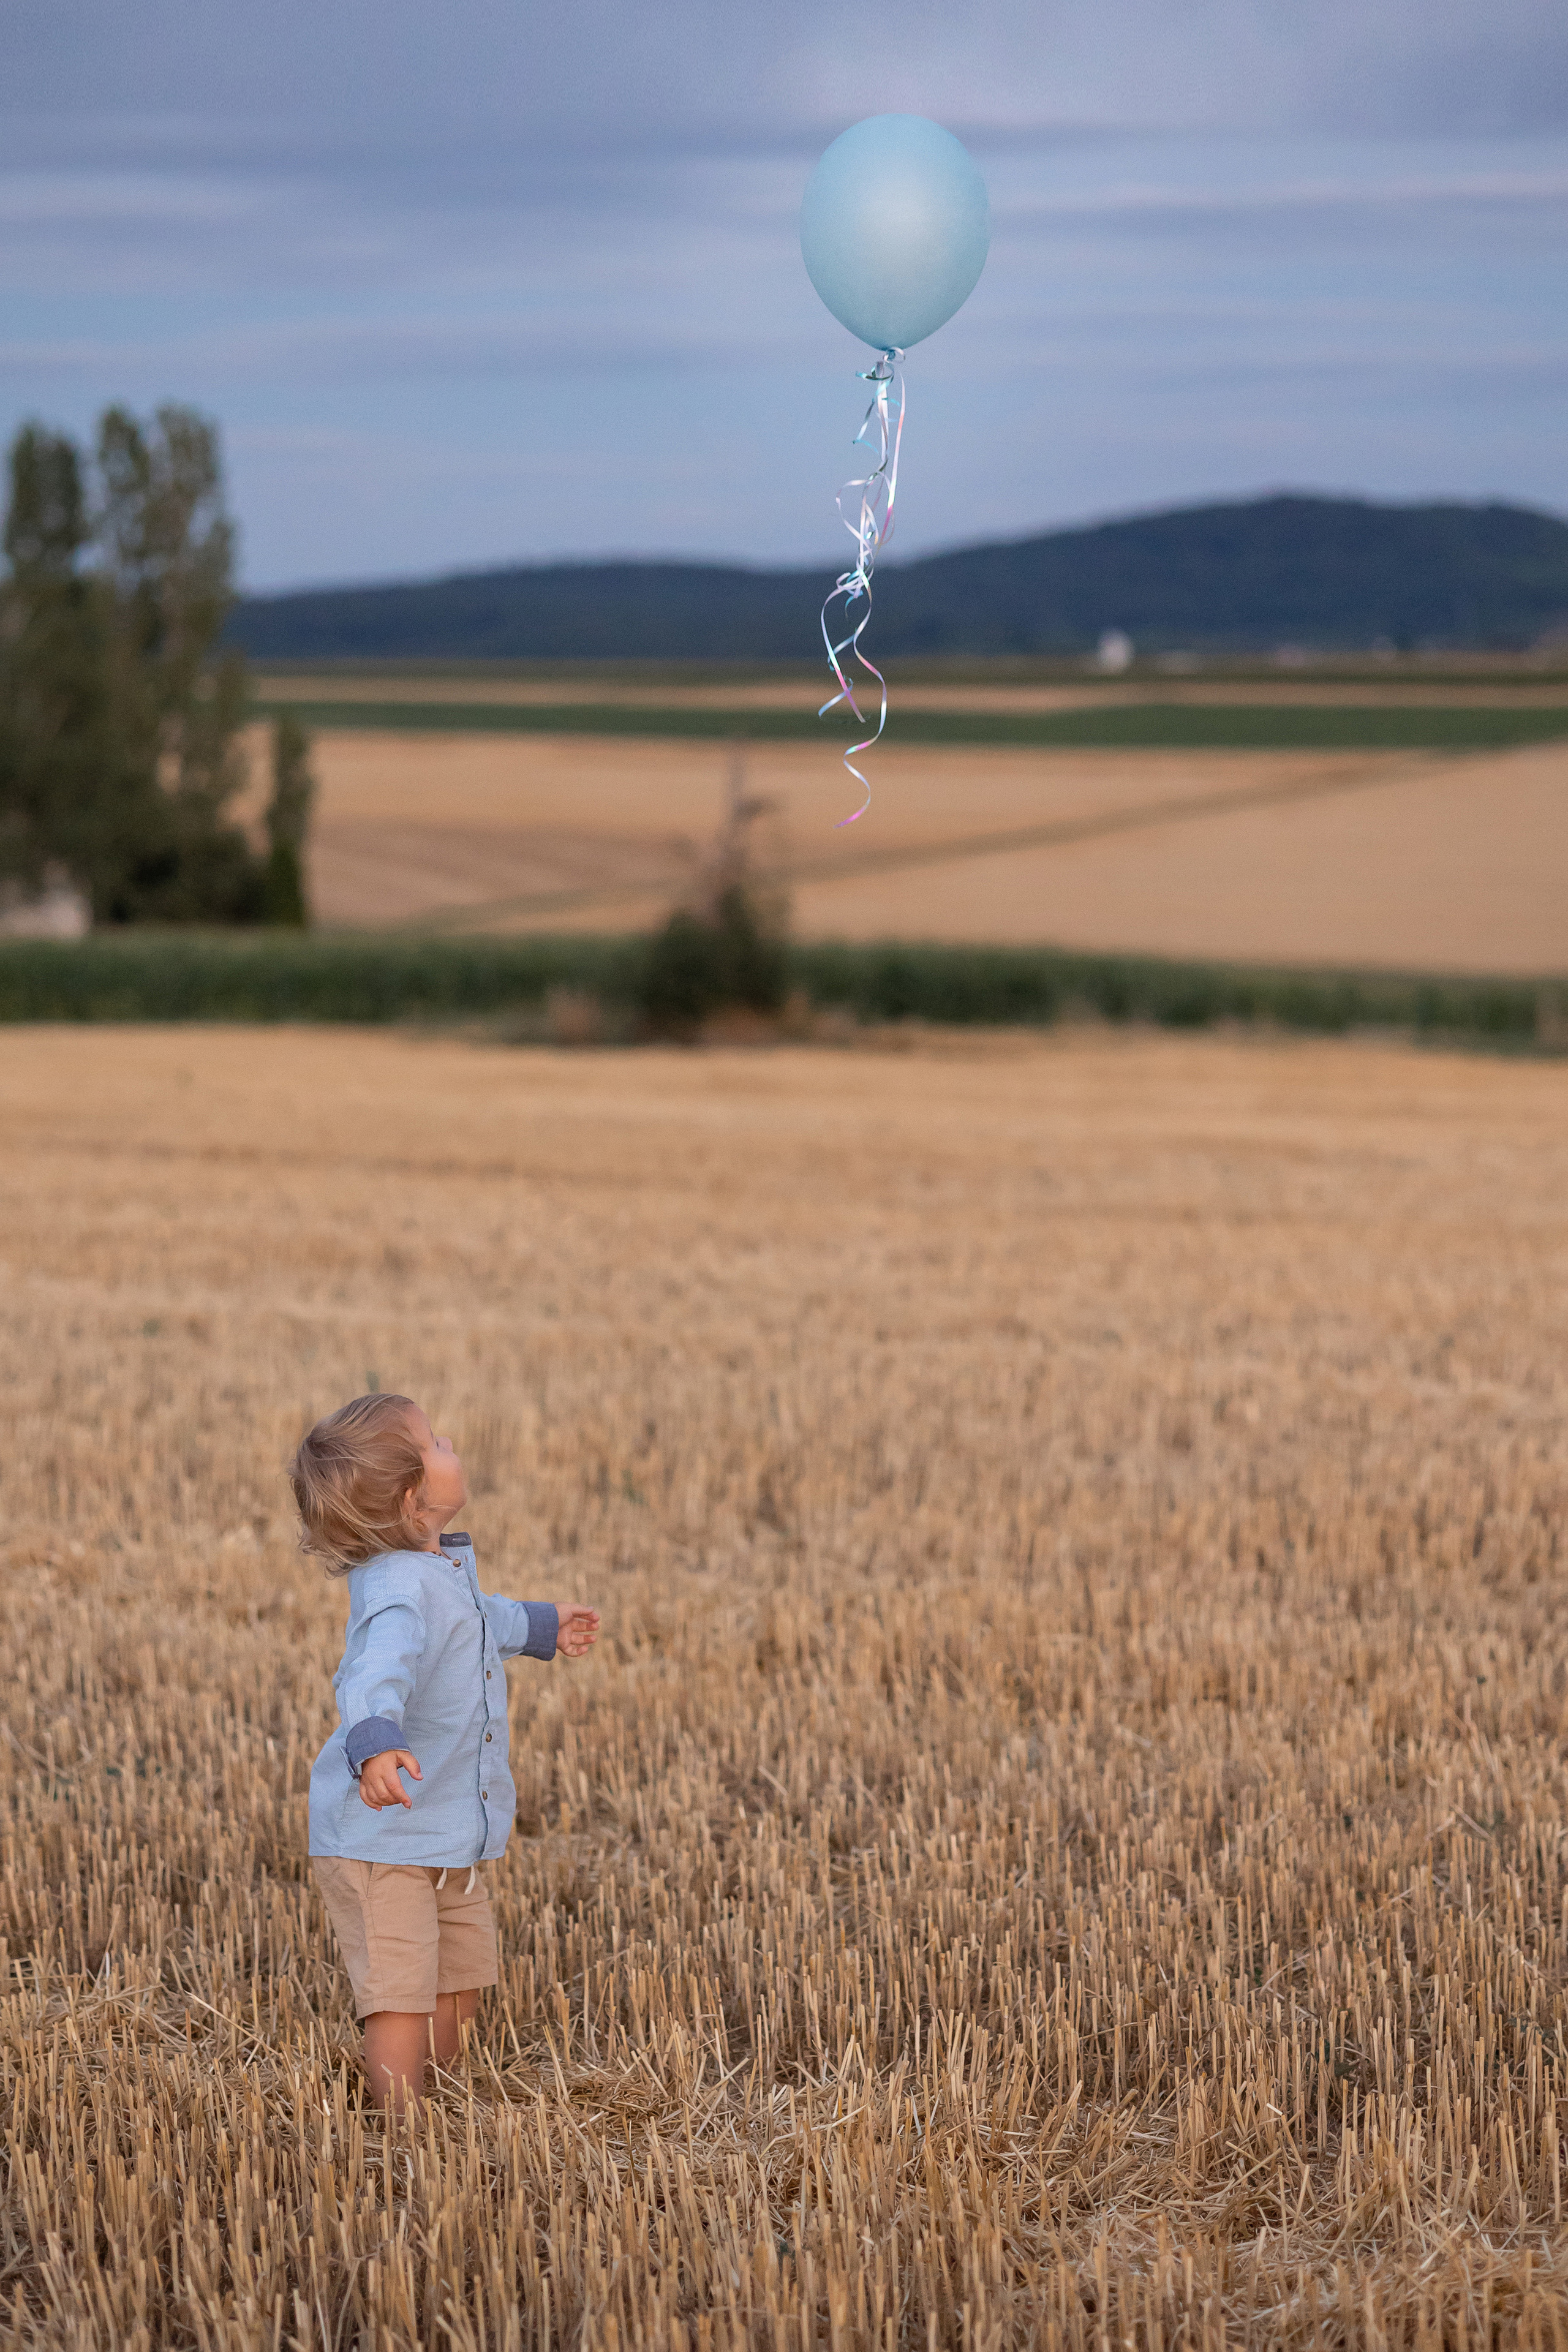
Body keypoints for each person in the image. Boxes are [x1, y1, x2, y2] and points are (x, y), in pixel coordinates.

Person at [290, 1392, 600, 2112]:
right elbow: (372, 1675)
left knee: (457, 1979)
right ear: (410, 1497)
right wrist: (376, 1747)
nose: (450, 1440)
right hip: (383, 1837)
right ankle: (399, 2130)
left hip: (443, 1834)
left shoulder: (438, 1571)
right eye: (434, 1442)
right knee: (401, 1991)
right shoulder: (398, 1587)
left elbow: (479, 1619)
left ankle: (441, 2098)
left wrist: (543, 1626)